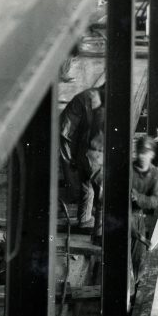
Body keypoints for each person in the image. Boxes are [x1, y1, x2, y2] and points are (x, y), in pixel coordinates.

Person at [59, 86, 106, 234]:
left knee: (87, 187)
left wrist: (74, 158)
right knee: (102, 195)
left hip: (83, 155)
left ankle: (84, 220)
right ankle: (99, 233)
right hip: (94, 158)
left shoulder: (94, 105)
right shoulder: (102, 111)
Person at [130, 135, 158, 278]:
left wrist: (138, 197)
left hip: (137, 217)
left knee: (138, 260)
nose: (143, 156)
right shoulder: (128, 169)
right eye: (141, 152)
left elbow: (155, 200)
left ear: (152, 154)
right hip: (121, 216)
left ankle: (133, 290)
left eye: (146, 153)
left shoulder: (155, 173)